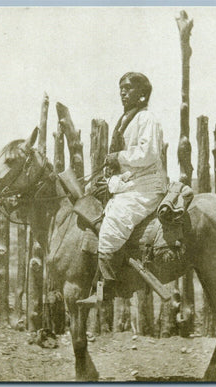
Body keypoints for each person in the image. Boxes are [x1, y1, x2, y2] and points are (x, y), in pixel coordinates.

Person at [78, 72, 167, 306]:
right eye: (121, 89)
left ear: (142, 95)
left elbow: (148, 154)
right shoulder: (127, 119)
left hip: (146, 185)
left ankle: (106, 288)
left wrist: (119, 157)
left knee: (112, 225)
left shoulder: (147, 118)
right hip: (133, 182)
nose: (123, 92)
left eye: (128, 88)